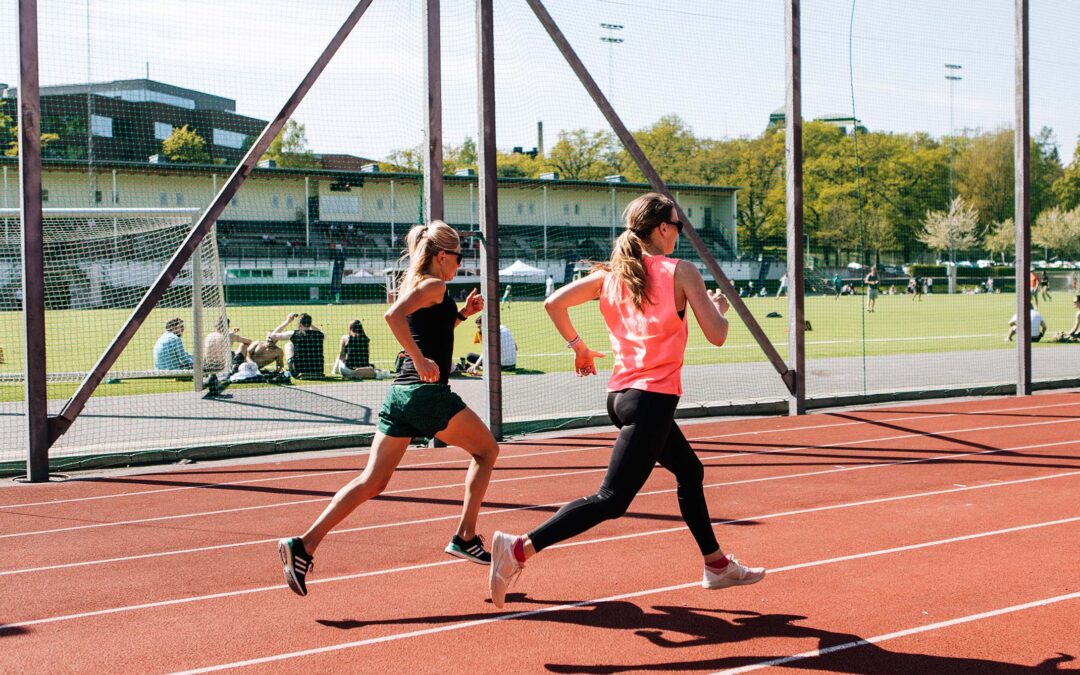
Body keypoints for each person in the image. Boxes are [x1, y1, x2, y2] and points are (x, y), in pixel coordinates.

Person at [487, 192, 764, 609]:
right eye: (679, 225)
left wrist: (579, 347)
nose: (681, 232)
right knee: (611, 501)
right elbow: (718, 335)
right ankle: (520, 549)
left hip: (621, 397)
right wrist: (718, 308)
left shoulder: (612, 275)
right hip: (650, 400)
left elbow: (553, 302)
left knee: (690, 471)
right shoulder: (681, 272)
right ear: (662, 228)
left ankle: (716, 564)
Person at [278, 221, 500, 597]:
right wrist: (422, 360)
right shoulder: (434, 285)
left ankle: (304, 544)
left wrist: (461, 315)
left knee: (373, 481)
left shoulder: (419, 285)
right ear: (441, 255)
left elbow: (421, 325)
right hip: (425, 392)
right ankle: (465, 536)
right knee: (487, 450)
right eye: (459, 257)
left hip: (399, 394)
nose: (460, 265)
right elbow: (393, 318)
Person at [268, 313, 325, 378]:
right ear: (310, 323)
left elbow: (272, 336)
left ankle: (293, 368)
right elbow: (318, 331)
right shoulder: (321, 334)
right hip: (318, 370)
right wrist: (308, 323)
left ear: (299, 324)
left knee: (288, 345)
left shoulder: (293, 333)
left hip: (299, 372)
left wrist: (287, 321)